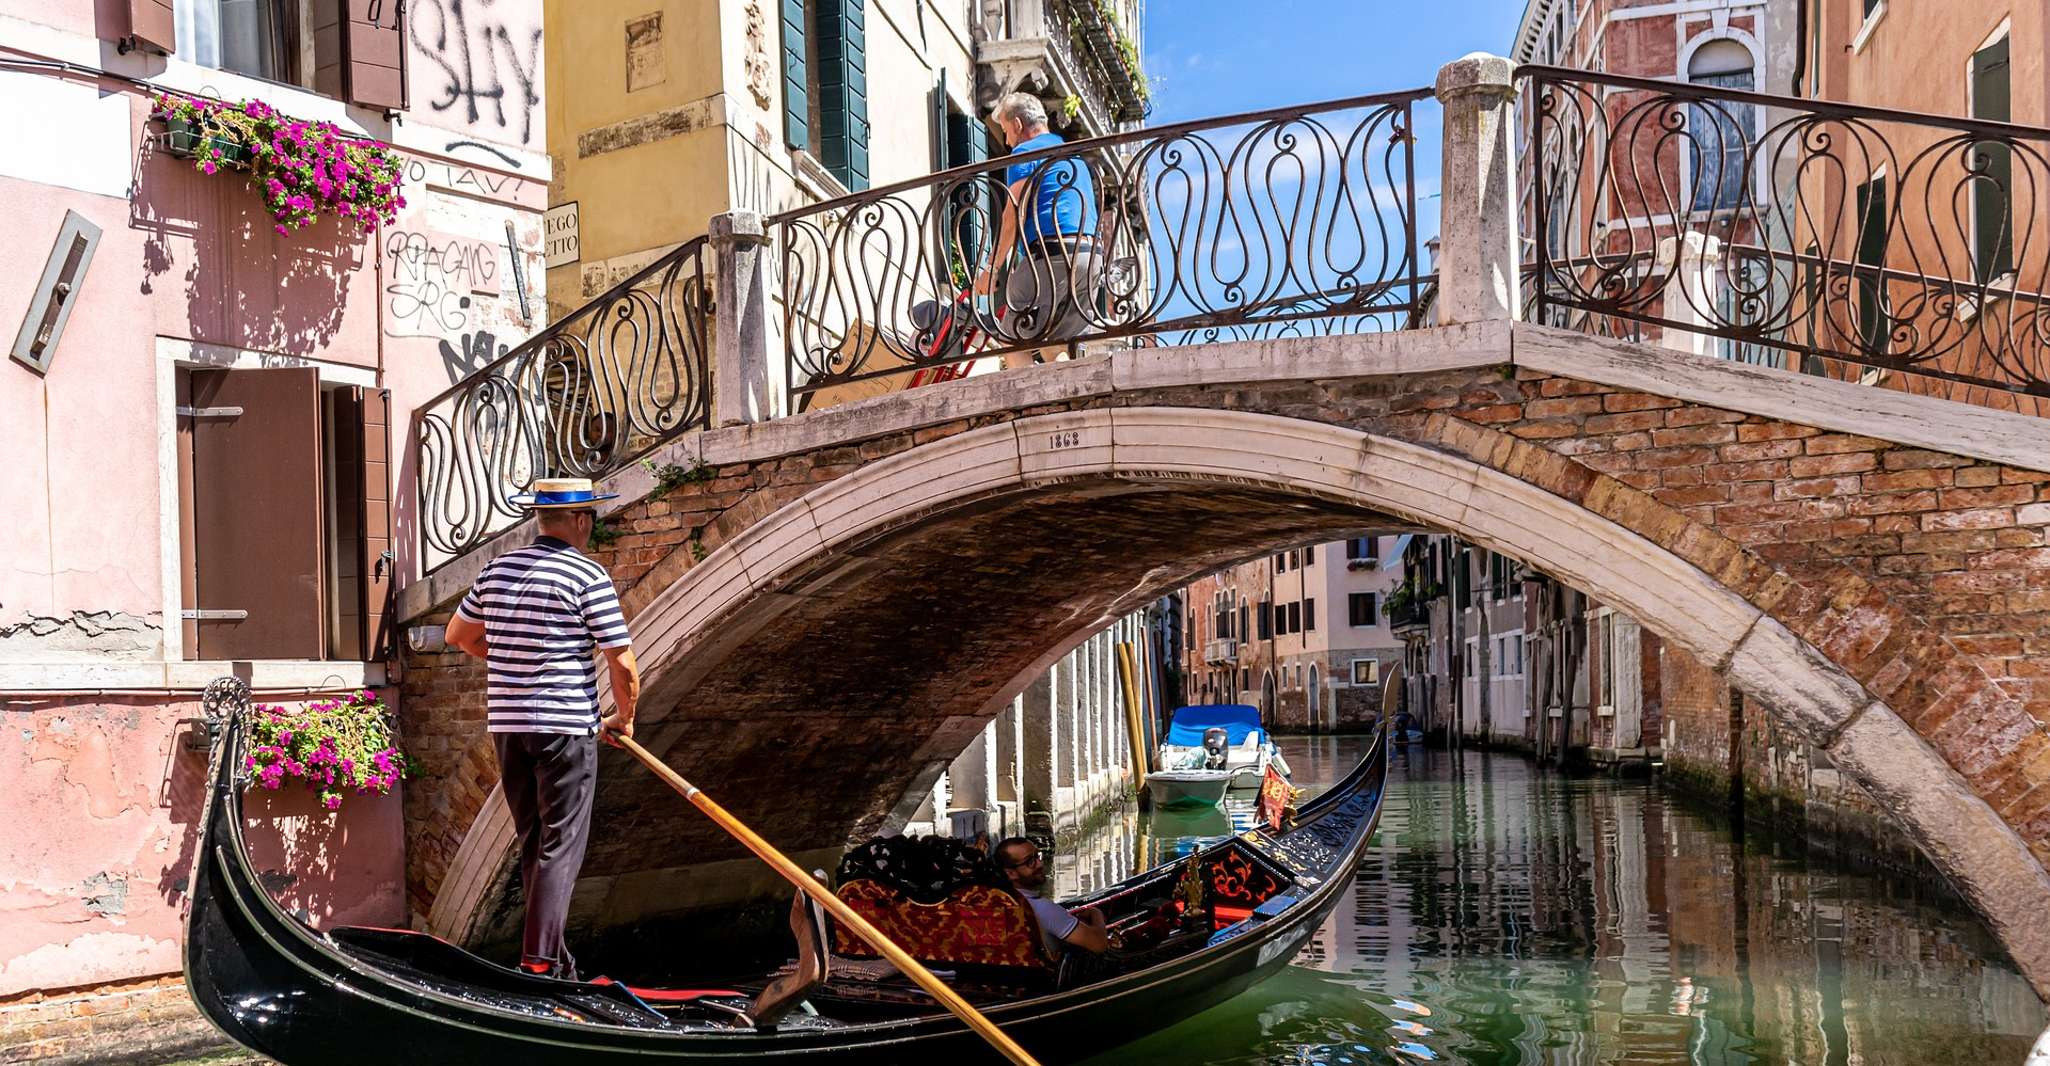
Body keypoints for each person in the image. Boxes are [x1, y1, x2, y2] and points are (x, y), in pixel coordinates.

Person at [444, 477, 641, 980]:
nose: (591, 527)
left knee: (534, 843)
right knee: (560, 846)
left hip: (509, 728)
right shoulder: (586, 576)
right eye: (592, 518)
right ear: (580, 520)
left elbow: (458, 635)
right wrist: (625, 718)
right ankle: (539, 962)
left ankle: (558, 965)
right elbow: (622, 661)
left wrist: (512, 660)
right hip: (564, 728)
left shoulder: (496, 569)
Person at [972, 92, 1104, 371]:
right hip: (1089, 258)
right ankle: (1065, 398)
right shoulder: (1073, 156)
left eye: (1007, 132)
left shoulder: (1025, 151)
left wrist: (992, 268)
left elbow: (1013, 212)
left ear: (1018, 125)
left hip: (1051, 255)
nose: (1007, 141)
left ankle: (1025, 405)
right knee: (1053, 344)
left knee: (1012, 337)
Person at [992, 837, 1108, 960]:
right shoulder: (1043, 908)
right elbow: (1099, 945)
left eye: (1037, 856)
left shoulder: (996, 902)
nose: (1040, 864)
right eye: (1030, 862)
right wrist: (1097, 913)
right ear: (1011, 873)